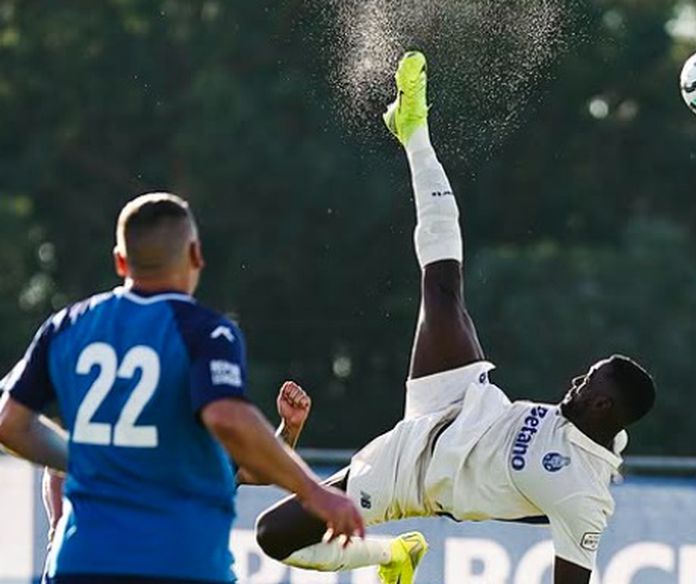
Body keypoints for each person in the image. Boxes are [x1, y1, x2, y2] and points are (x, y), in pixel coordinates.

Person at [254, 51, 657, 584]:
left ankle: (390, 555)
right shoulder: (592, 420)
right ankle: (413, 129)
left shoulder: (582, 490)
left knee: (272, 536)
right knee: (443, 285)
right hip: (465, 401)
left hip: (410, 477)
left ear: (604, 406)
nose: (576, 381)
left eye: (588, 382)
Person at [0, 193, 364, 584]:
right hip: (179, 563)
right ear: (195, 254)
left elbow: (10, 423)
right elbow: (227, 418)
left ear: (121, 261)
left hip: (81, 564)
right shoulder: (205, 331)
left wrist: (86, 458)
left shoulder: (66, 327)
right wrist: (313, 491)